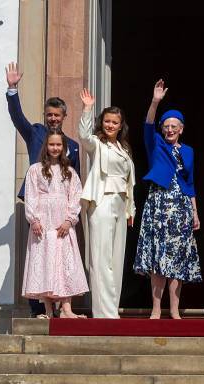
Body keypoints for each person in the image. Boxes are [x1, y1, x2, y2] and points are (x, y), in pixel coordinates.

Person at [5, 62, 81, 317]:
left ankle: (64, 306)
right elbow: (18, 119)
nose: (52, 118)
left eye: (57, 115)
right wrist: (12, 89)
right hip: (38, 208)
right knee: (40, 254)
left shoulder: (72, 145)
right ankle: (39, 309)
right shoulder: (35, 133)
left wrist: (71, 217)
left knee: (62, 256)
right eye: (49, 114)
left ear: (64, 117)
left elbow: (75, 179)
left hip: (62, 212)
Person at [134, 79, 201, 319]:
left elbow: (190, 183)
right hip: (159, 207)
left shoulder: (189, 151)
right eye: (167, 126)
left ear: (181, 128)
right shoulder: (156, 145)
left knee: (177, 259)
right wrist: (155, 101)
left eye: (174, 126)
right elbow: (148, 123)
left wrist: (195, 212)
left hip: (181, 207)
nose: (170, 130)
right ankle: (155, 309)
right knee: (158, 258)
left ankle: (174, 309)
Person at [78, 89, 136, 319]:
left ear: (121, 126)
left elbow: (130, 182)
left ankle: (112, 310)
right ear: (102, 123)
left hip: (121, 204)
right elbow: (83, 135)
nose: (111, 125)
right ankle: (104, 313)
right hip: (102, 201)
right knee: (101, 258)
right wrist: (87, 108)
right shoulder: (97, 144)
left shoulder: (125, 148)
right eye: (107, 121)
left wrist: (130, 208)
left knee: (116, 259)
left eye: (115, 122)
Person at [21, 130, 89, 318]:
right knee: (45, 262)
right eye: (52, 144)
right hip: (43, 223)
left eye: (59, 145)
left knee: (65, 263)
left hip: (62, 224)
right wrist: (33, 219)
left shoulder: (70, 172)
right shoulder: (35, 170)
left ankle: (67, 309)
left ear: (64, 148)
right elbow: (31, 196)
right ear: (46, 146)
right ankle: (49, 311)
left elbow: (75, 197)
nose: (55, 148)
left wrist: (69, 220)